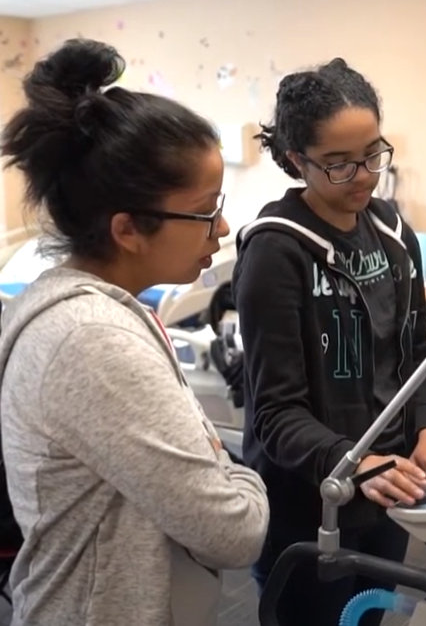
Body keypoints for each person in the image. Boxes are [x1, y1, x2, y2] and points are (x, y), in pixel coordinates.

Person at [0, 39, 269, 626]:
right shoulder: (91, 340)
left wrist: (215, 464)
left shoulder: (111, 313)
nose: (222, 228)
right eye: (205, 211)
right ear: (127, 229)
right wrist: (240, 474)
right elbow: (233, 531)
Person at [232, 58, 426, 625]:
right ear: (295, 161)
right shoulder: (276, 252)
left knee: (370, 615)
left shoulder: (390, 231)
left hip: (386, 496)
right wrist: (354, 463)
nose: (363, 177)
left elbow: (416, 351)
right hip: (309, 506)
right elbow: (276, 414)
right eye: (338, 165)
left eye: (372, 156)